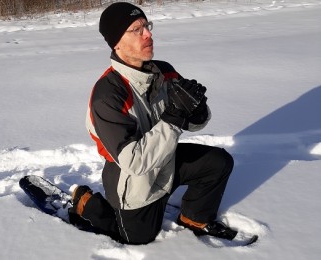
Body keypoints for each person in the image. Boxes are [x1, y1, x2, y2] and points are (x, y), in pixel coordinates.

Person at [68, 2, 235, 245]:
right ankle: (86, 203)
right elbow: (135, 162)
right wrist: (175, 117)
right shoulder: (108, 95)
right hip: (131, 178)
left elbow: (189, 121)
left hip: (165, 158)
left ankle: (194, 218)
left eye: (147, 26)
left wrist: (198, 113)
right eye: (137, 30)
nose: (148, 34)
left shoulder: (164, 71)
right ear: (116, 42)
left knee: (218, 163)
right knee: (137, 237)